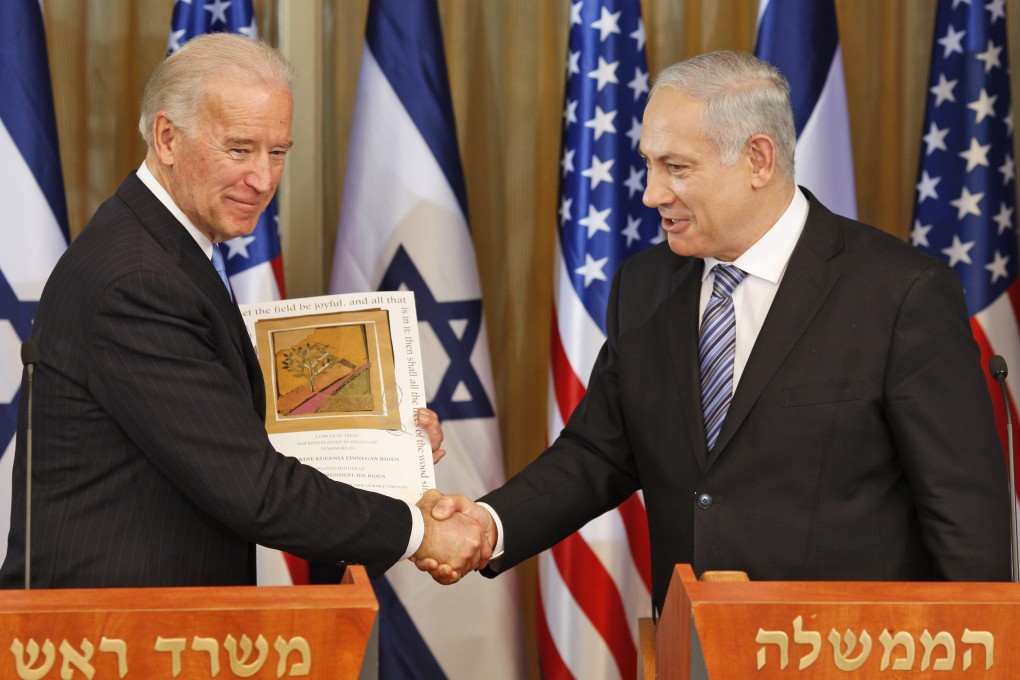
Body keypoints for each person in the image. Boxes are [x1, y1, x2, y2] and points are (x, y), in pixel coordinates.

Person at [420, 50, 1012, 608]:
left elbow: (963, 516)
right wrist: (487, 525)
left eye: (677, 167)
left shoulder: (899, 293)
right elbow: (597, 452)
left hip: (849, 653)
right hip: (695, 644)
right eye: (649, 164)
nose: (653, 193)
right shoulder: (644, 285)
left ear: (758, 159)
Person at [0, 33, 486, 589]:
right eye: (239, 149)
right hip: (112, 641)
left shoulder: (167, 250)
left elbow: (217, 436)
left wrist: (384, 446)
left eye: (277, 152)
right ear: (166, 138)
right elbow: (252, 489)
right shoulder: (137, 281)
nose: (262, 180)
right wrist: (419, 531)